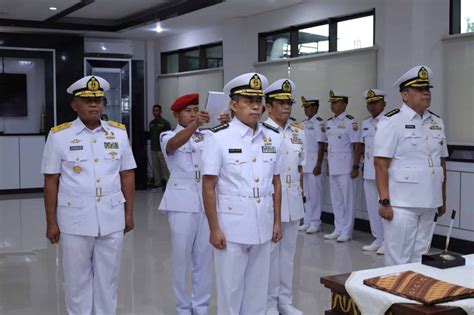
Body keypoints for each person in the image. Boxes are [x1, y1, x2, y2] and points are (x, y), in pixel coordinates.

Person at [41, 75, 136, 315]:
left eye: (98, 100)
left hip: (112, 216)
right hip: (74, 219)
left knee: (108, 280)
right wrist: (51, 222)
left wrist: (129, 213)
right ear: (75, 105)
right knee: (76, 281)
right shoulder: (59, 135)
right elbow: (51, 180)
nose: (94, 105)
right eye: (86, 100)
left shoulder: (118, 133)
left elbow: (127, 175)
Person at [201, 72, 283, 315]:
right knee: (231, 292)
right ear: (233, 105)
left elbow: (276, 183)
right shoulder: (218, 138)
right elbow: (208, 186)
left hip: (263, 224)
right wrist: (214, 227)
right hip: (231, 226)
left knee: (258, 293)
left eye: (258, 100)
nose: (255, 106)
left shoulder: (273, 138)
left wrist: (277, 221)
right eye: (248, 100)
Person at [374, 65, 448, 266]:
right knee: (399, 260)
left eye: (427, 89)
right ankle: (392, 298)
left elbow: (441, 162)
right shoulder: (392, 121)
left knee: (420, 259)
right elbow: (381, 163)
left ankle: (413, 297)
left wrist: (441, 197)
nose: (426, 93)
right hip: (402, 204)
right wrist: (384, 201)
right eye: (419, 89)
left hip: (429, 201)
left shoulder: (437, 122)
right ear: (405, 95)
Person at [158, 93, 213, 315]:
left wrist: (226, 123)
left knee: (204, 260)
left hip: (206, 203)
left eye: (195, 109)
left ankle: (200, 307)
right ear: (176, 114)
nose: (193, 114)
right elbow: (173, 145)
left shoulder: (207, 135)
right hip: (181, 203)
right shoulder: (167, 135)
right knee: (181, 259)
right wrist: (194, 126)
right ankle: (182, 308)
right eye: (188, 111)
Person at [264, 79, 305, 315]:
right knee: (269, 256)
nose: (286, 107)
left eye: (289, 102)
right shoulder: (261, 132)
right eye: (280, 102)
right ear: (268, 107)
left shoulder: (299, 132)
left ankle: (284, 301)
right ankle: (268, 303)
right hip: (269, 204)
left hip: (293, 201)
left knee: (288, 256)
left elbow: (300, 167)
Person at [323, 90, 362, 242]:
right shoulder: (330, 122)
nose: (333, 105)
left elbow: (357, 146)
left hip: (346, 167)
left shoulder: (350, 122)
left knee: (348, 200)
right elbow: (329, 146)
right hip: (333, 166)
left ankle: (347, 230)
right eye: (332, 103)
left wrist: (355, 166)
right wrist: (327, 165)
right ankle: (338, 228)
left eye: (336, 102)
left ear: (344, 104)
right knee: (336, 200)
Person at [361, 89, 387, 254]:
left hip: (382, 171)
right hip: (369, 171)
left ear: (383, 104)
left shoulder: (388, 121)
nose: (372, 106)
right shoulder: (366, 123)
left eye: (375, 102)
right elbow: (365, 147)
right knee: (372, 207)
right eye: (369, 103)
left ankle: (387, 241)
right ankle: (378, 238)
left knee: (383, 205)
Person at [299, 96, 326, 234]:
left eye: (308, 107)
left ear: (315, 108)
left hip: (315, 163)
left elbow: (321, 144)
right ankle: (307, 219)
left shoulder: (319, 123)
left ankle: (316, 222)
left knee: (315, 195)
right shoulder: (302, 123)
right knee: (306, 194)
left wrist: (319, 164)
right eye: (304, 107)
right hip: (305, 163)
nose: (306, 110)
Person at [149, 104, 171, 189]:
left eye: (157, 110)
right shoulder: (151, 123)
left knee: (164, 167)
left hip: (162, 149)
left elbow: (168, 136)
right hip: (153, 148)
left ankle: (167, 182)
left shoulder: (165, 123)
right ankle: (157, 183)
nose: (155, 112)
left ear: (160, 111)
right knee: (155, 167)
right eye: (154, 111)